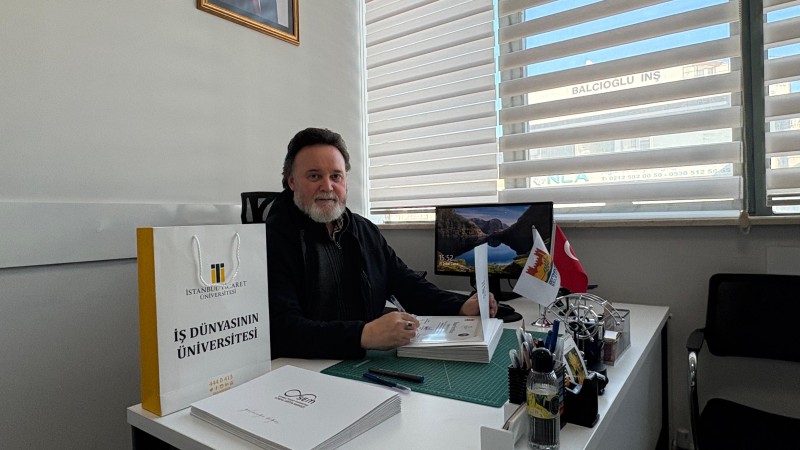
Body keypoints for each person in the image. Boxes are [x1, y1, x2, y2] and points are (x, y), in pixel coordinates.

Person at [265, 127, 497, 359]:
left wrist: (459, 306)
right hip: (302, 367)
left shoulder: (363, 230)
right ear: (292, 182)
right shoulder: (271, 239)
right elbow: (281, 328)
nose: (327, 186)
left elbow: (406, 283)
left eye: (336, 176)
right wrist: (363, 335)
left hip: (363, 360)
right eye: (314, 176)